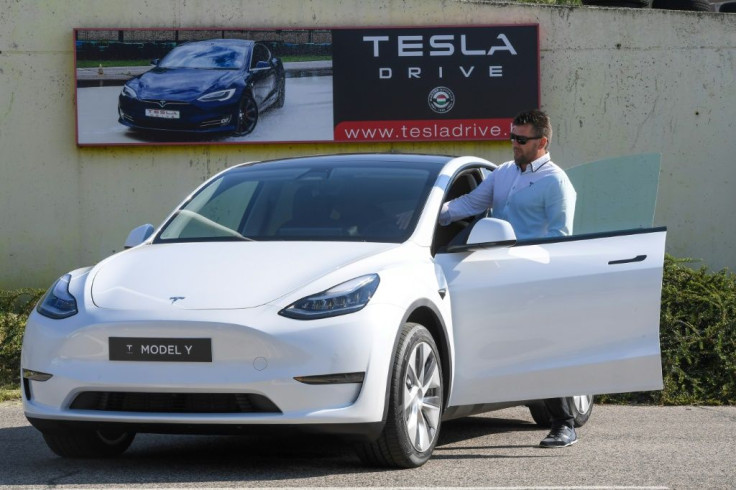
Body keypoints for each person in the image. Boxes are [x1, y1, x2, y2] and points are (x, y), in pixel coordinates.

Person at [439, 109, 579, 448]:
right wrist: (424, 213)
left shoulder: (556, 181)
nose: (513, 144)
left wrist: (548, 283)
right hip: (492, 273)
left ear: (542, 142)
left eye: (521, 139)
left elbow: (560, 237)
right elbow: (469, 204)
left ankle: (564, 423)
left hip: (533, 277)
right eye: (511, 137)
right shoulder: (501, 174)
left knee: (540, 348)